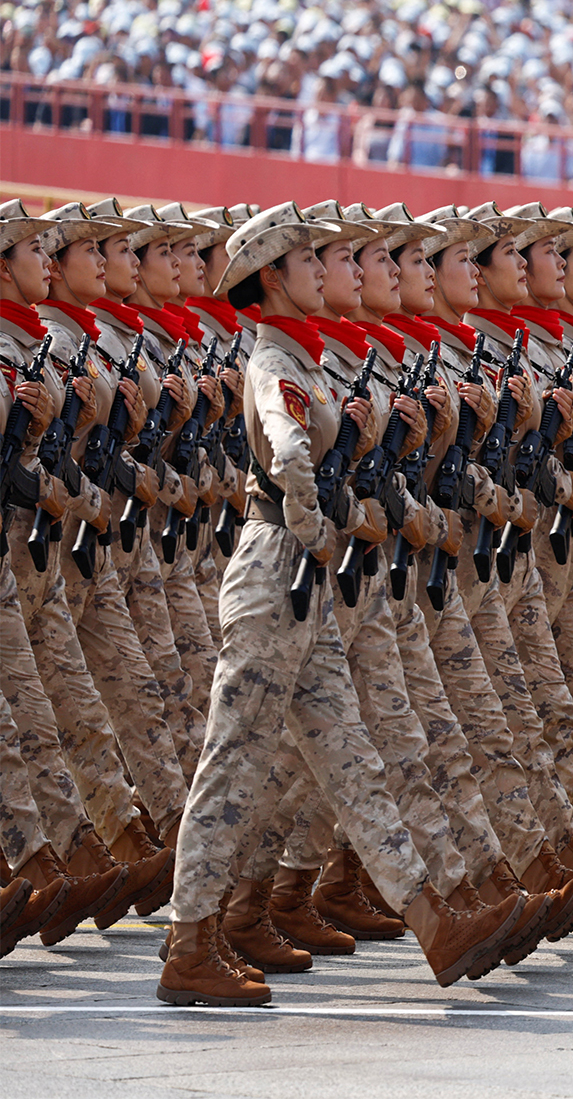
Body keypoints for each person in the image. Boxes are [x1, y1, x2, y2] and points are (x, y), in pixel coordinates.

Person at [159, 203, 523, 1007]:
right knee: (234, 762)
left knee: (353, 757)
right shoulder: (273, 362)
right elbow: (289, 453)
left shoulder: (307, 358)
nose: (330, 273)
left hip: (305, 581)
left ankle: (434, 923)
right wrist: (319, 529)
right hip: (275, 573)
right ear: (273, 280)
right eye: (311, 262)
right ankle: (189, 943)